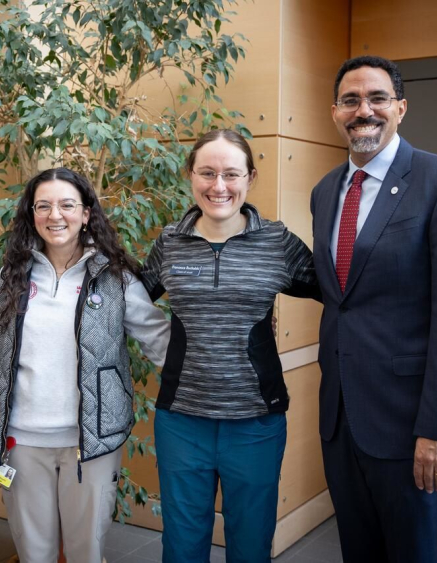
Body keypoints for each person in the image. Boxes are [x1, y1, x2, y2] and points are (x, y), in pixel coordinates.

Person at [310, 55, 437, 562]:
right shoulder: (326, 192)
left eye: (377, 98)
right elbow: (341, 295)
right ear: (335, 112)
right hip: (342, 421)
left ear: (401, 108)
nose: (363, 110)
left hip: (413, 426)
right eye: (350, 100)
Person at [0, 167, 170, 563]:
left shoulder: (116, 278)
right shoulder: (13, 275)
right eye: (43, 206)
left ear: (86, 213)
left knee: (85, 552)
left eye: (66, 205)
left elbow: (159, 341)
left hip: (90, 442)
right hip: (21, 441)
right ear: (32, 214)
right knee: (34, 553)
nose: (54, 215)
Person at [140, 129, 320, 562]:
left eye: (231, 174)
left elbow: (340, 294)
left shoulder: (277, 242)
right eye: (207, 173)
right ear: (190, 176)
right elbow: (127, 300)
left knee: (251, 545)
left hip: (255, 423)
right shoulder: (170, 242)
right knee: (182, 546)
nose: (218, 186)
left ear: (250, 178)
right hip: (182, 421)